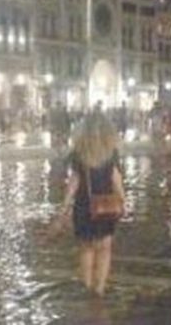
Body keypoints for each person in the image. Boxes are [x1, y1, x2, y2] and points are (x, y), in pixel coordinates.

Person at [59, 114, 125, 296]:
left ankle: (87, 286)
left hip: (84, 207)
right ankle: (99, 288)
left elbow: (74, 182)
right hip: (106, 206)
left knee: (86, 249)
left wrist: (64, 207)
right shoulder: (111, 153)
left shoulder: (79, 154)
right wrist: (123, 200)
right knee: (105, 249)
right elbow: (116, 178)